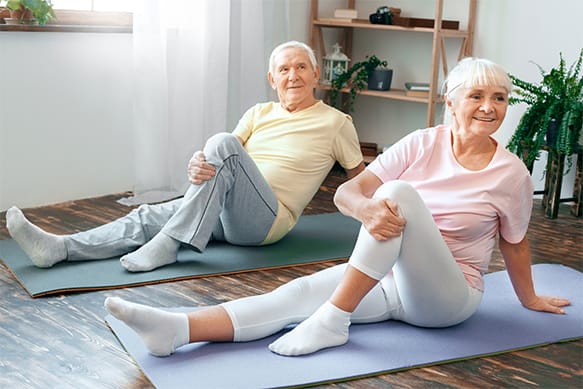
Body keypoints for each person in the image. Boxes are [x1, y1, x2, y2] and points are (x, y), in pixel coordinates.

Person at [103, 57, 570, 357]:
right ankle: (179, 329)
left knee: (397, 195)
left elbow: (516, 242)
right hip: (388, 282)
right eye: (476, 96)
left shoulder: (510, 173)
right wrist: (366, 212)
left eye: (499, 98)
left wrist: (529, 299)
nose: (489, 107)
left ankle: (333, 319)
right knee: (291, 296)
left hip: (447, 299)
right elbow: (348, 193)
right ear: (451, 101)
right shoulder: (421, 142)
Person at [5, 40, 365, 272]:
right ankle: (60, 248)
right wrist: (198, 163)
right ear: (272, 79)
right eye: (284, 69)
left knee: (221, 142)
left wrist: (375, 218)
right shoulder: (259, 112)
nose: (293, 75)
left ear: (316, 74)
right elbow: (222, 157)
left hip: (266, 222)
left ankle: (171, 242)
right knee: (147, 216)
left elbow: (361, 179)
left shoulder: (335, 123)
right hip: (225, 207)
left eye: (301, 67)